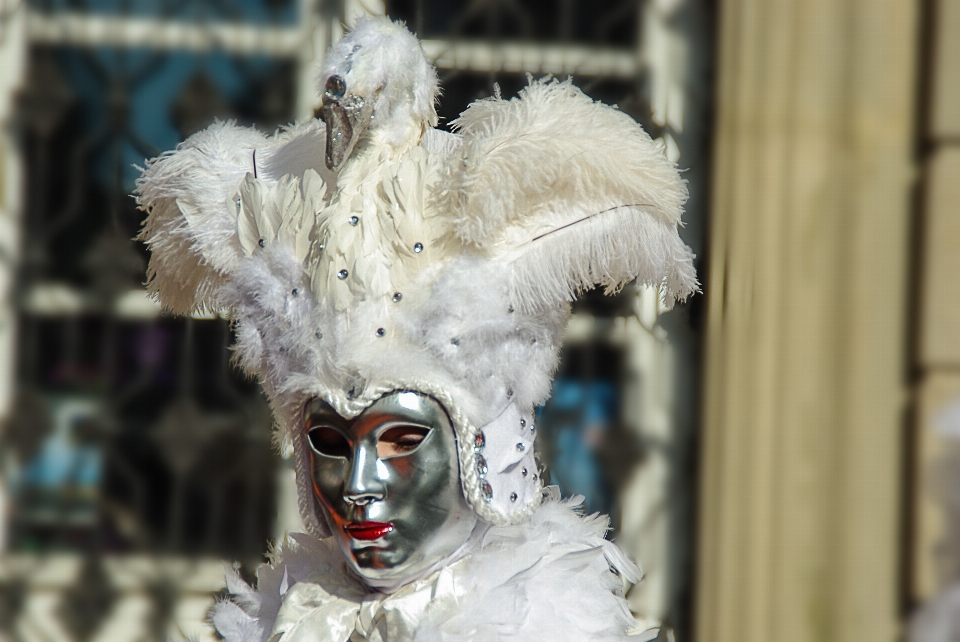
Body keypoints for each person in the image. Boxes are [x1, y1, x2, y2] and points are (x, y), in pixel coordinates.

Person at [136, 16, 697, 642]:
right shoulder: (295, 620)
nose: (358, 485)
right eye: (330, 441)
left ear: (479, 448)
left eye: (402, 438)